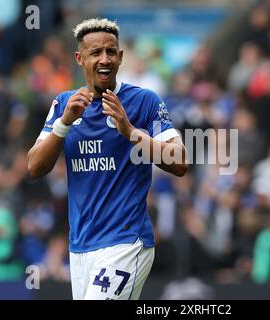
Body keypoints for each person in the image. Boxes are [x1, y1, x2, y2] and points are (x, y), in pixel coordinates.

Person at [27, 18, 188, 300]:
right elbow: (34, 166)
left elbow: (180, 161)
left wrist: (130, 131)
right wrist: (63, 124)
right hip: (81, 247)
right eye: (95, 53)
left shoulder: (144, 101)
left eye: (111, 52)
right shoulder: (64, 105)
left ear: (121, 57)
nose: (105, 59)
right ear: (80, 58)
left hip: (126, 242)